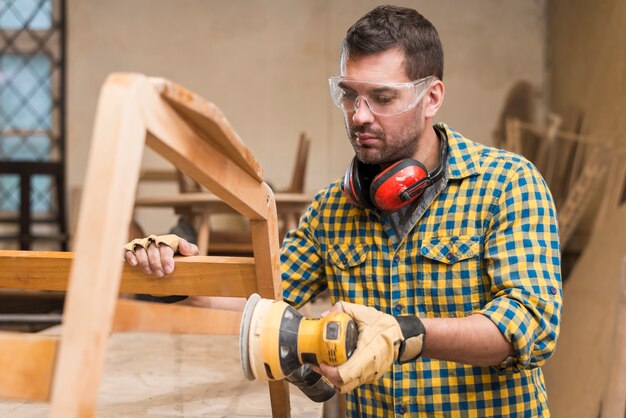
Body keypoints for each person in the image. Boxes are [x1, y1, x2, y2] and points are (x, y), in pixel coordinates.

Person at [124, 5, 562, 417]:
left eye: (382, 98)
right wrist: (174, 275)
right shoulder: (333, 208)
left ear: (431, 98)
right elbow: (263, 298)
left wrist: (407, 335)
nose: (359, 116)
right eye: (349, 95)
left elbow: (532, 325)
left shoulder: (508, 183)